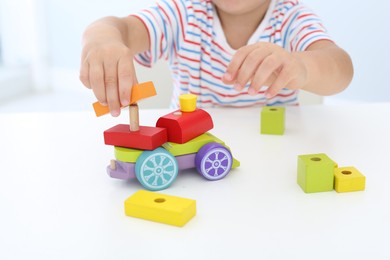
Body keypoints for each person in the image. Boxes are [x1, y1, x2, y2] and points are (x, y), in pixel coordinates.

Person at [80, 0, 353, 117]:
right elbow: (122, 28)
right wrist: (102, 39)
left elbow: (340, 67)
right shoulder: (183, 12)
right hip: (192, 149)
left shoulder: (291, 18)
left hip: (273, 152)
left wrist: (302, 66)